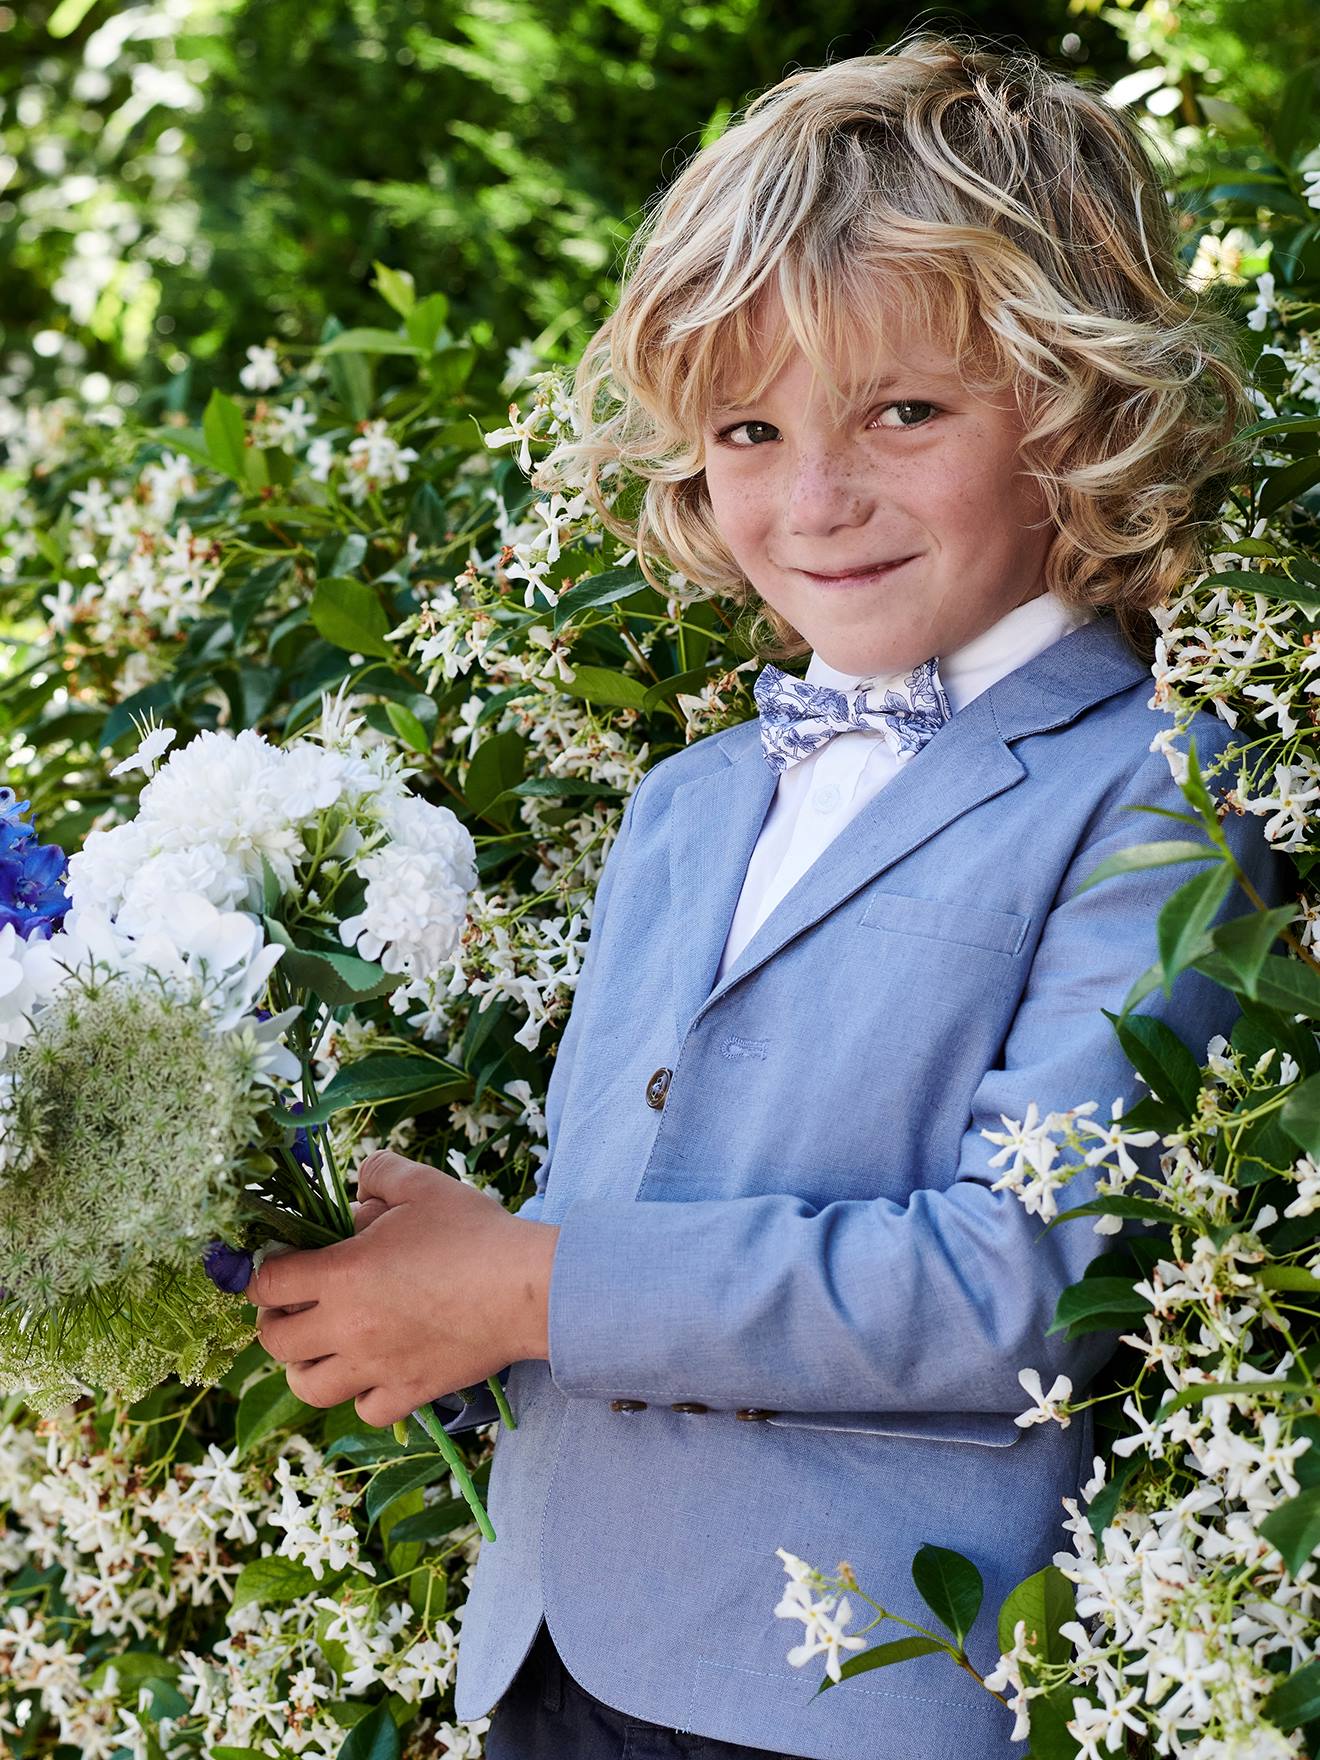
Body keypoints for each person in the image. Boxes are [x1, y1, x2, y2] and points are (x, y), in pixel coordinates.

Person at [247, 34, 1291, 1760]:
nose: (813, 500)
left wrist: (528, 1286)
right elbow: (647, 1216)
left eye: (903, 411)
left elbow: (1020, 1281)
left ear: (1079, 405)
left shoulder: (1156, 785)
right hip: (553, 1656)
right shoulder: (689, 801)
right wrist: (442, 1272)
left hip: (853, 1690)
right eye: (747, 428)